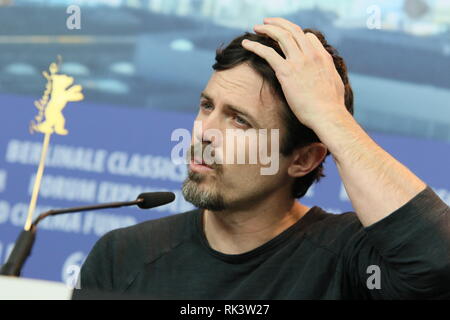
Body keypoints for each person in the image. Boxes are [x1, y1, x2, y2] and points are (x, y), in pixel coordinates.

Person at [78, 17, 450, 299]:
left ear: (303, 159)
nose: (204, 131)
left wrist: (330, 117)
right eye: (207, 106)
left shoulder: (349, 261)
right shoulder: (122, 256)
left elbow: (438, 262)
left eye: (240, 120)